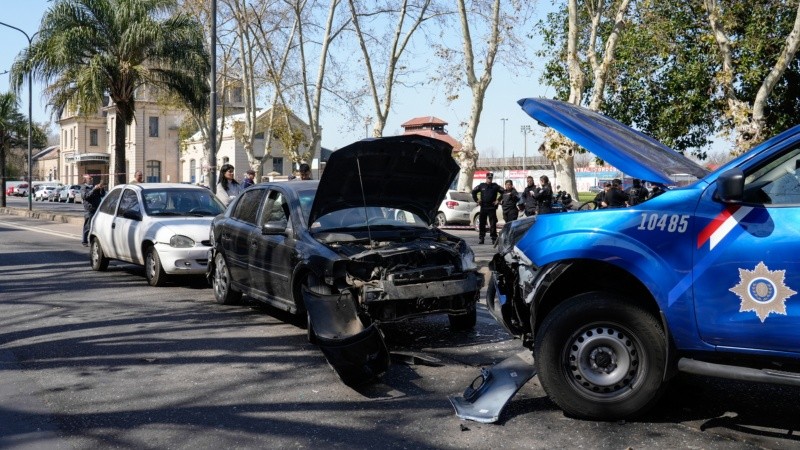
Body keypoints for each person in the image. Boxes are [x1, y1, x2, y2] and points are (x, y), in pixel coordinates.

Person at [471, 172, 502, 244]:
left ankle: (494, 238)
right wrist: (477, 200)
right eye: (488, 178)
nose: (489, 180)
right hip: (484, 207)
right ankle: (481, 238)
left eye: (491, 178)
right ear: (486, 178)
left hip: (492, 207)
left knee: (493, 223)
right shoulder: (482, 186)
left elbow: (503, 192)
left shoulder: (495, 186)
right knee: (482, 223)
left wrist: (498, 200)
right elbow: (473, 192)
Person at [81, 175, 106, 247]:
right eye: (89, 178)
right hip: (89, 209)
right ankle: (84, 241)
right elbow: (86, 196)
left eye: (91, 178)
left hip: (97, 209)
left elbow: (102, 195)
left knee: (98, 226)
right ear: (85, 180)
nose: (91, 179)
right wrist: (94, 189)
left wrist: (101, 188)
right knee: (88, 226)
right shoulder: (84, 188)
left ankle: (96, 241)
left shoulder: (94, 187)